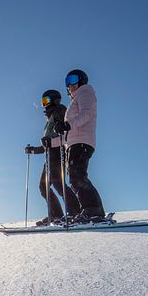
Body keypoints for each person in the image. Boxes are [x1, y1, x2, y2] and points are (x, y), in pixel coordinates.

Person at [55, 69, 107, 223]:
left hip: (82, 142)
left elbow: (87, 114)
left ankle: (92, 212)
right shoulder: (76, 99)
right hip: (74, 143)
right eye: (67, 81)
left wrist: (67, 124)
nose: (70, 84)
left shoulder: (85, 93)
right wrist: (50, 143)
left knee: (77, 177)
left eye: (73, 79)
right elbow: (67, 133)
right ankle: (94, 211)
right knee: (77, 177)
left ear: (82, 79)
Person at [25, 89, 81, 226]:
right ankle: (56, 214)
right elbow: (47, 144)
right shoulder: (50, 118)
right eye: (42, 102)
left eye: (47, 101)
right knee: (43, 185)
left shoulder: (60, 111)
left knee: (57, 182)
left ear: (55, 100)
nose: (44, 105)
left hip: (58, 151)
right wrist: (34, 150)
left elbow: (67, 132)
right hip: (50, 154)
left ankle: (76, 212)